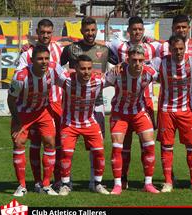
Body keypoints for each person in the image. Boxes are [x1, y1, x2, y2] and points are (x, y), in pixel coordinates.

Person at [61, 16, 117, 191]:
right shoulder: (71, 49)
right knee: (66, 147)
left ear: (96, 30)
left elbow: (122, 64)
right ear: (81, 31)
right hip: (73, 104)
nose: (90, 33)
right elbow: (55, 65)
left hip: (97, 103)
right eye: (87, 30)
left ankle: (95, 182)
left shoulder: (105, 50)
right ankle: (65, 182)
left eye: (93, 30)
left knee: (96, 146)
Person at [108, 16, 161, 190]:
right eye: (134, 29)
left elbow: (168, 73)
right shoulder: (117, 64)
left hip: (141, 108)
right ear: (128, 30)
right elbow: (99, 82)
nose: (138, 64)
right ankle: (119, 182)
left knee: (149, 143)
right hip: (120, 111)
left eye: (141, 60)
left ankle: (148, 184)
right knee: (120, 146)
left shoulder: (150, 68)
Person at [153, 35, 192, 193]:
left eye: (181, 49)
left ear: (186, 48)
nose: (178, 52)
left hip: (187, 111)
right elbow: (140, 64)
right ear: (170, 49)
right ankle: (168, 182)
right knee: (167, 146)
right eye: (175, 49)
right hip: (166, 110)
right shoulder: (160, 62)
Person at [16, 19, 63, 192]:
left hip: (55, 102)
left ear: (52, 33)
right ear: (37, 32)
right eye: (42, 32)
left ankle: (58, 179)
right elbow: (20, 76)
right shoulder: (27, 53)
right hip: (34, 104)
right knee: (35, 143)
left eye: (48, 32)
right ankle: (37, 182)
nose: (45, 36)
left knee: (55, 142)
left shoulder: (60, 49)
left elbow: (68, 70)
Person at [8, 45, 59, 196]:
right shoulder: (20, 76)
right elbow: (11, 100)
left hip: (43, 111)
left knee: (50, 141)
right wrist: (17, 121)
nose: (44, 62)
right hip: (23, 112)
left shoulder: (53, 69)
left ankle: (46, 184)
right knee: (19, 142)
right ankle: (22, 186)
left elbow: (67, 81)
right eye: (40, 59)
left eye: (46, 58)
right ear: (32, 60)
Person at [57, 55, 109, 196]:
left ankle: (97, 184)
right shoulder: (66, 80)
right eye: (83, 69)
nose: (86, 72)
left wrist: (120, 66)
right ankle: (66, 184)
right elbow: (51, 67)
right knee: (66, 153)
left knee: (99, 152)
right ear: (76, 69)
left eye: (89, 68)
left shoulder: (98, 81)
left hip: (89, 122)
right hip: (69, 122)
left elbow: (116, 76)